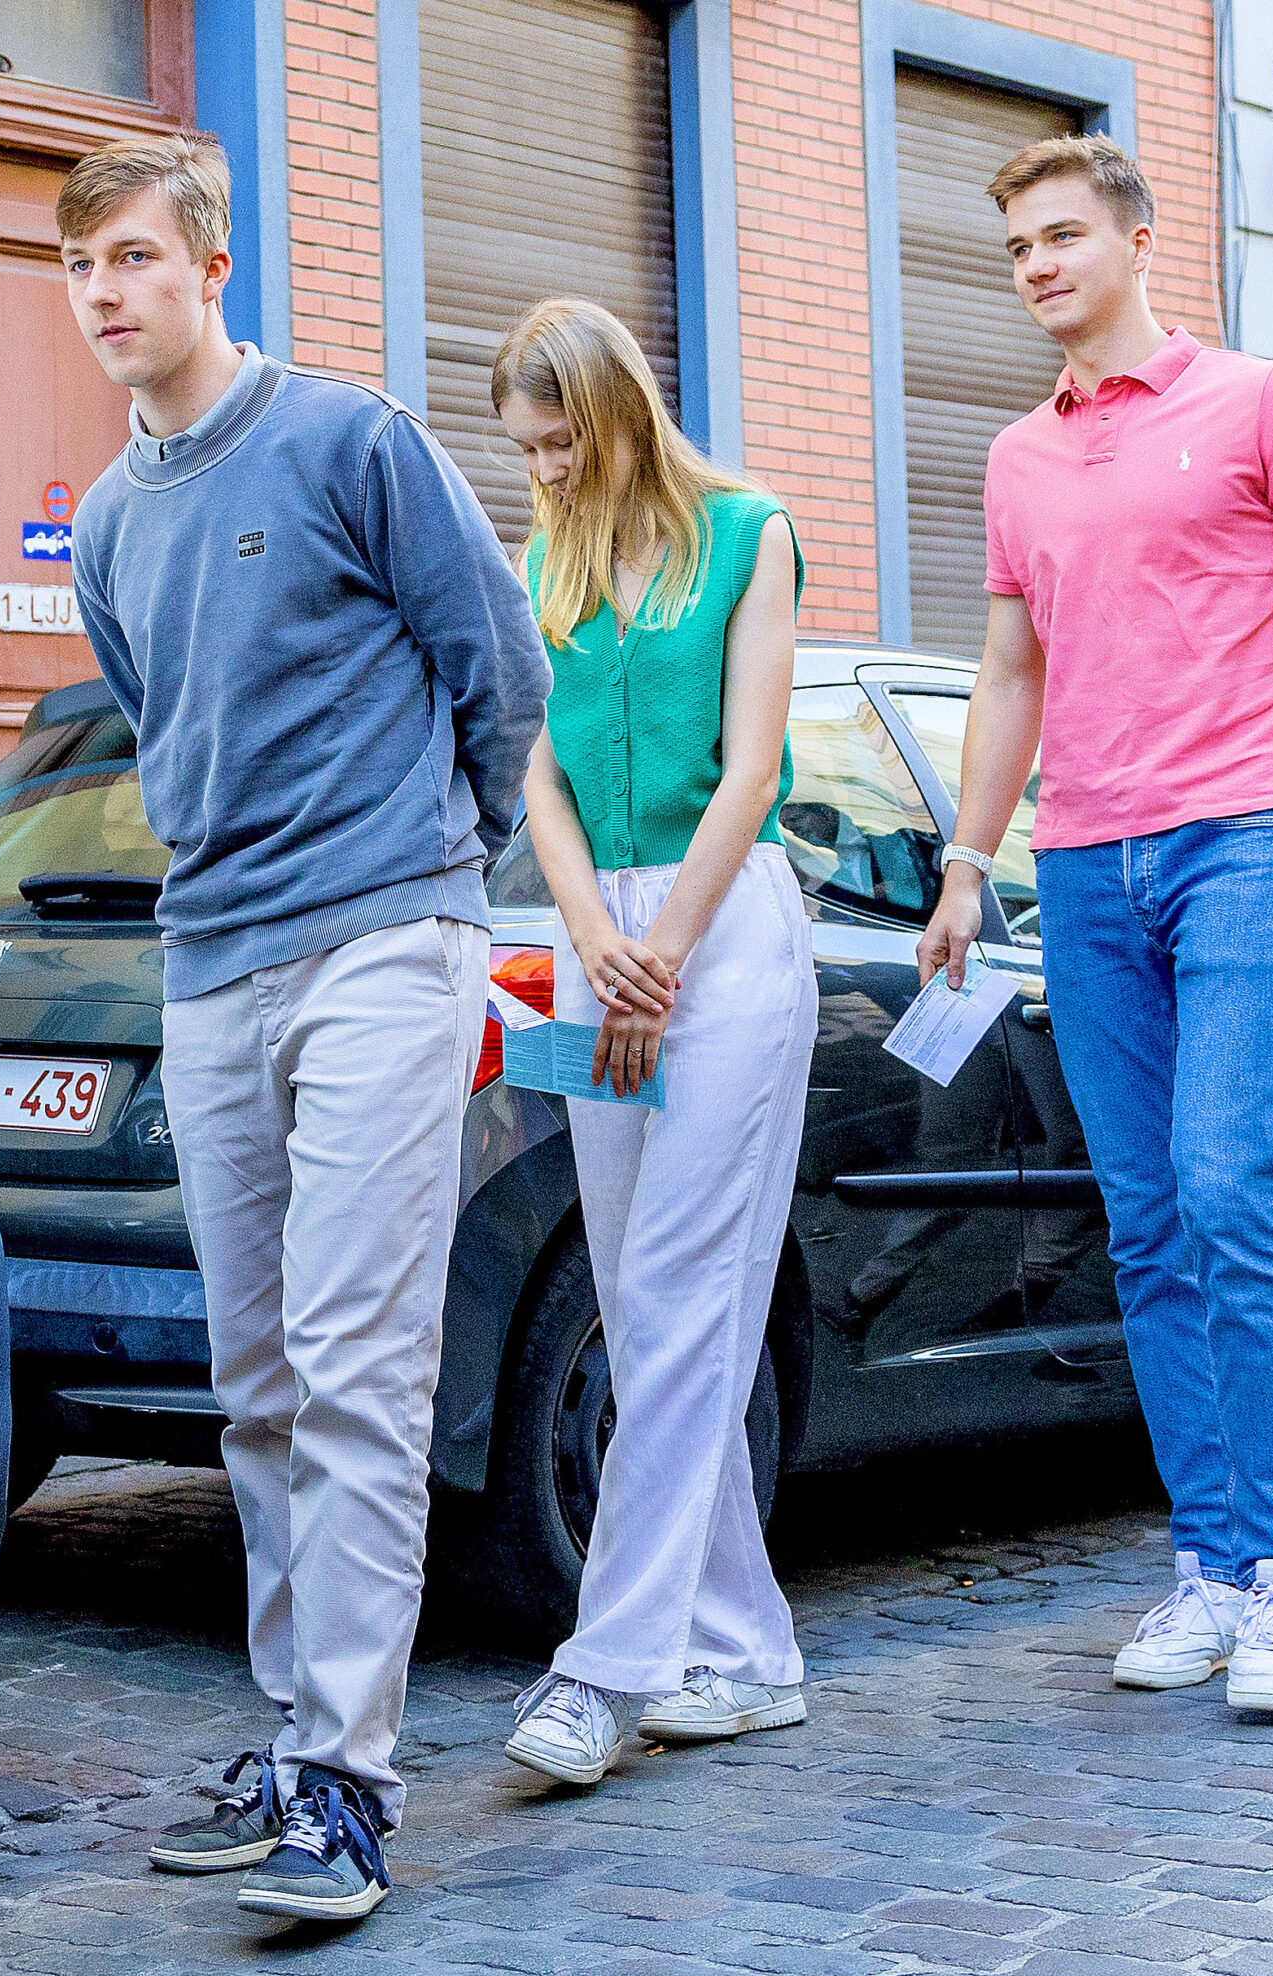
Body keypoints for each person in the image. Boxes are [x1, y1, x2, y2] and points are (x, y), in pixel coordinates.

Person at [59, 134, 545, 1922]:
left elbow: (500, 661)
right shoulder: (110, 518)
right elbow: (152, 717)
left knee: (354, 1363)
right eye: (82, 267)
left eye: (133, 256)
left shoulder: (348, 440)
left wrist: (442, 873)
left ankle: (347, 1777)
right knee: (253, 1376)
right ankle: (291, 1730)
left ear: (209, 263)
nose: (109, 294)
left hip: (378, 946)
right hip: (209, 964)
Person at [915, 136, 1273, 1716]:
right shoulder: (1017, 458)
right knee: (1141, 1216)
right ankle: (1205, 1561)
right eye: (1017, 249)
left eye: (1066, 235)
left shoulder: (1260, 401)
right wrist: (967, 858)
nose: (1040, 266)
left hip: (1246, 845)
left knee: (1228, 1184)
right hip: (1083, 865)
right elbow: (1011, 676)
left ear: (1139, 240)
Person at [485, 298, 814, 1787]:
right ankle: (745, 1649)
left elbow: (751, 765)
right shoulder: (543, 555)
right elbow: (534, 775)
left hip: (724, 924)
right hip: (591, 934)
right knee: (645, 1303)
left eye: (562, 443)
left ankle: (604, 1661)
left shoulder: (749, 533)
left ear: (620, 415)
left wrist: (664, 947)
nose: (544, 472)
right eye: (527, 451)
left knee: (685, 1289)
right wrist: (590, 936)